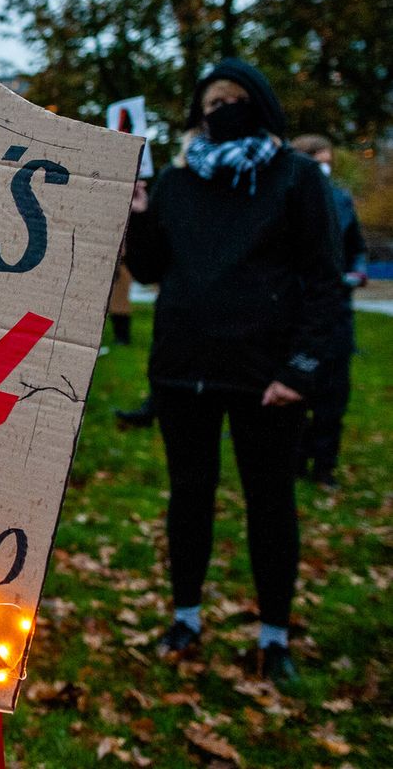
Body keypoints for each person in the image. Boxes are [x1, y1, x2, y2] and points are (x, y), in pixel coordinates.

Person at [124, 59, 342, 685]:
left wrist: (300, 370)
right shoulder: (175, 180)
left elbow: (325, 282)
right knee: (189, 498)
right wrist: (138, 212)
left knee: (269, 502)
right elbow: (151, 270)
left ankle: (274, 634)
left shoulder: (296, 178)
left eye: (237, 98)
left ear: (264, 104)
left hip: (266, 377)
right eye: (212, 101)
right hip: (184, 369)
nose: (223, 110)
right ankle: (185, 616)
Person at [289, 134, 368, 488]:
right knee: (295, 391)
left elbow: (357, 248)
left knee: (333, 395)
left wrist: (357, 271)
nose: (325, 167)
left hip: (336, 310)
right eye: (319, 159)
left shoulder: (342, 200)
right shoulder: (287, 197)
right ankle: (294, 459)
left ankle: (324, 465)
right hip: (297, 312)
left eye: (328, 161)